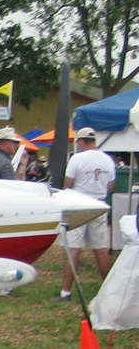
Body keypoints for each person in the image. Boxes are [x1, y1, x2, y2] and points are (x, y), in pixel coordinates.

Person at [57, 127, 116, 300]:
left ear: (81, 141)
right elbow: (110, 187)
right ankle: (109, 291)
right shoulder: (108, 161)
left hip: (79, 206)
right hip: (98, 206)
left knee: (74, 250)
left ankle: (66, 292)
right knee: (101, 250)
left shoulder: (77, 158)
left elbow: (68, 183)